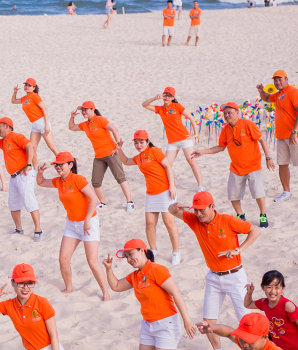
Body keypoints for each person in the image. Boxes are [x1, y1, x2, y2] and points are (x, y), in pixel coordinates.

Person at [103, 239, 196, 350]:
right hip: (148, 324)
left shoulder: (156, 270)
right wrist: (108, 269)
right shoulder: (135, 275)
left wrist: (186, 320)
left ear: (142, 250)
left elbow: (176, 292)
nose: (129, 258)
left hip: (167, 323)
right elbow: (115, 286)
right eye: (127, 256)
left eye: (132, 254)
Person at [168, 191, 260, 350]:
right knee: (207, 321)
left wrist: (238, 249)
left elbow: (255, 231)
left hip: (235, 277)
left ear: (212, 206)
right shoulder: (194, 220)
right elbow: (171, 211)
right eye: (196, 210)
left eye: (202, 210)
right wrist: (175, 206)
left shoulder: (228, 220)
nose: (199, 214)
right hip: (213, 278)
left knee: (246, 323)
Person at [35, 153, 108, 300]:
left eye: (61, 164)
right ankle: (69, 287)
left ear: (70, 165)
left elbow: (94, 198)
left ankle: (105, 292)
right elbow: (41, 183)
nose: (58, 167)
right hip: (72, 224)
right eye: (56, 164)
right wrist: (40, 173)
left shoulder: (78, 179)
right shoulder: (58, 181)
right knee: (63, 259)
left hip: (88, 223)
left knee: (92, 263)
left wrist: (87, 220)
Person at [191, 102, 273, 227]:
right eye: (225, 113)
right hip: (236, 167)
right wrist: (202, 152)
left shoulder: (248, 124)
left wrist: (268, 158)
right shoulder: (225, 130)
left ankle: (262, 215)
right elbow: (220, 147)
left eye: (229, 112)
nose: (227, 115)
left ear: (237, 112)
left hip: (253, 165)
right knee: (233, 194)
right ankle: (240, 215)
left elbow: (261, 139)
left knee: (258, 192)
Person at [256, 70, 298, 207]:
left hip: (295, 135)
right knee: (282, 164)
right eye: (275, 80)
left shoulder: (294, 91)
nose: (277, 82)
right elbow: (266, 98)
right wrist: (261, 91)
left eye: (280, 79)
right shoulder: (279, 94)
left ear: (286, 79)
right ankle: (286, 192)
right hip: (281, 135)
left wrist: (294, 131)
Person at [116, 130, 180, 264]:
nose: (139, 145)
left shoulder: (155, 151)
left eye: (141, 142)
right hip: (151, 194)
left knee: (169, 222)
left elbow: (168, 167)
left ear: (147, 141)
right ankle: (153, 251)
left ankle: (175, 252)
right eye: (136, 143)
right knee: (150, 224)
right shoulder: (139, 157)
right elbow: (126, 161)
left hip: (165, 191)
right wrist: (119, 149)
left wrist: (172, 186)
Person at [68, 101, 133, 211]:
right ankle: (103, 203)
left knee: (120, 178)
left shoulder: (100, 119)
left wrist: (117, 146)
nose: (83, 112)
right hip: (98, 156)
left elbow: (114, 129)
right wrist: (72, 117)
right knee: (95, 181)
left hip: (111, 153)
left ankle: (130, 202)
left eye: (86, 109)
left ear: (93, 109)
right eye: (82, 110)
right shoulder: (85, 124)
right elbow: (71, 127)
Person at [0, 117, 42, 239]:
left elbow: (30, 146)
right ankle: (18, 229)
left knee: (29, 201)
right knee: (13, 204)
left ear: (6, 126)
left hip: (24, 174)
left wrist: (29, 165)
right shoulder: (4, 140)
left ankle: (38, 230)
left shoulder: (16, 136)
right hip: (14, 177)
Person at [142, 86, 203, 191]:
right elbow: (144, 105)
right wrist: (154, 98)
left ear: (173, 97)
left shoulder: (177, 106)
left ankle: (200, 186)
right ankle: (168, 184)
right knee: (166, 165)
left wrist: (195, 133)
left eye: (169, 96)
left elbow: (191, 118)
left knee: (191, 160)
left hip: (184, 139)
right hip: (172, 142)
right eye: (165, 94)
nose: (166, 97)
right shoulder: (160, 109)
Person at [11, 78, 58, 156]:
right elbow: (13, 101)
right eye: (26, 85)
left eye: (29, 85)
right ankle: (34, 167)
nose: (27, 87)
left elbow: (44, 109)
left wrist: (46, 125)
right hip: (34, 125)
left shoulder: (35, 96)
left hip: (42, 123)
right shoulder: (24, 98)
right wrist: (15, 92)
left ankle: (63, 162)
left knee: (52, 147)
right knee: (32, 148)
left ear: (34, 87)